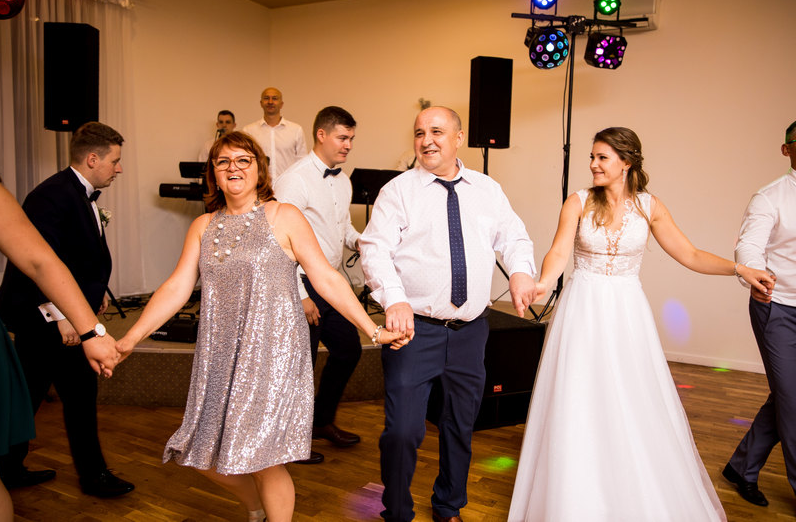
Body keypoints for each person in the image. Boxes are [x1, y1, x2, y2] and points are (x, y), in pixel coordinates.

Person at [115, 131, 407, 522]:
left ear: (259, 169)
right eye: (223, 162)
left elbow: (326, 277)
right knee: (200, 450)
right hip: (219, 357)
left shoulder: (284, 216)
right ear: (213, 173)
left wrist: (372, 330)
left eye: (243, 160)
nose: (233, 168)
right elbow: (176, 288)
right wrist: (131, 338)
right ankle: (256, 509)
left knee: (266, 459)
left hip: (273, 357)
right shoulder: (202, 226)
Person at [507, 127, 775, 522]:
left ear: (626, 162)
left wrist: (740, 269)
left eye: (602, 157)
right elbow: (559, 251)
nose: (593, 164)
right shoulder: (578, 201)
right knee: (579, 393)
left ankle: (628, 480)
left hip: (627, 311)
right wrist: (544, 283)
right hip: (582, 308)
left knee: (631, 395)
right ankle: (578, 489)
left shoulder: (650, 206)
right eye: (592, 157)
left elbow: (690, 254)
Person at [360, 106, 538, 522]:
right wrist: (394, 299)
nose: (427, 141)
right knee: (402, 430)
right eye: (419, 133)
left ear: (458, 138)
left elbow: (514, 237)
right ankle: (397, 511)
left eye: (437, 132)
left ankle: (449, 505)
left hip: (470, 332)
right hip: (412, 331)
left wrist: (520, 272)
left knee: (460, 424)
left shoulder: (487, 189)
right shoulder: (398, 191)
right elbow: (375, 249)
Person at [0, 122, 135, 498]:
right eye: (115, 161)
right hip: (45, 319)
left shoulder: (78, 193)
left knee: (32, 393)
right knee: (70, 395)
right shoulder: (51, 195)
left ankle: (9, 468)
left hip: (66, 316)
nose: (119, 168)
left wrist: (94, 296)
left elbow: (76, 257)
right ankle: (92, 476)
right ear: (92, 159)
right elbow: (36, 263)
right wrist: (63, 317)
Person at [274, 106, 363, 465]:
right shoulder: (294, 180)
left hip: (330, 282)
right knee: (301, 366)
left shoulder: (343, 180)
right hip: (299, 284)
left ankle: (321, 421)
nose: (348, 145)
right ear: (321, 135)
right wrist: (300, 294)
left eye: (351, 138)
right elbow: (278, 241)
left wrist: (360, 242)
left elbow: (343, 228)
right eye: (342, 137)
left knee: (349, 351)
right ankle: (289, 442)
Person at [722, 120, 796, 507]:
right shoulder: (770, 197)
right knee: (794, 403)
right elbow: (749, 246)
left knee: (787, 397)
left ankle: (741, 467)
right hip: (777, 308)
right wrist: (755, 273)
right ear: (787, 149)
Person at [241, 87, 308, 181]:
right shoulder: (248, 131)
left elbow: (302, 162)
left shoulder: (296, 130)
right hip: (260, 185)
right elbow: (245, 161)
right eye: (266, 98)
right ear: (261, 103)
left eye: (275, 98)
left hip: (288, 185)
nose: (270, 102)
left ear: (281, 104)